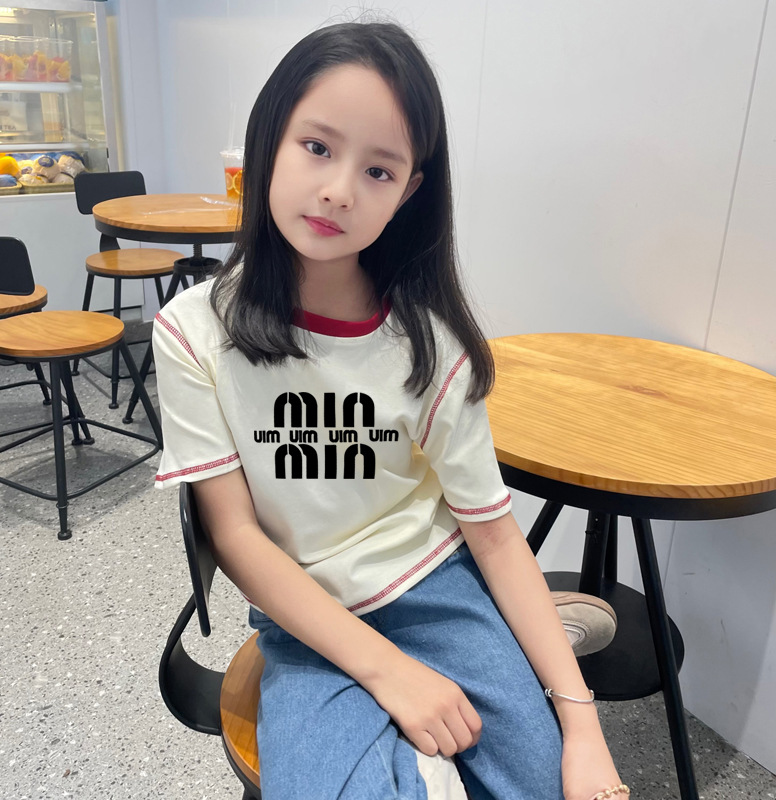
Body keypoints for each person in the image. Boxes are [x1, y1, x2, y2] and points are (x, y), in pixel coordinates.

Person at [153, 18, 629, 800]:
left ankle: (526, 633)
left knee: (546, 783)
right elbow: (235, 536)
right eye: (317, 147)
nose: (339, 189)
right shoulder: (192, 332)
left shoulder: (432, 349)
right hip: (305, 619)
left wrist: (583, 728)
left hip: (438, 588)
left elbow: (494, 536)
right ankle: (518, 646)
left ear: (409, 192)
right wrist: (391, 675)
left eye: (378, 170)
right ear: (269, 140)